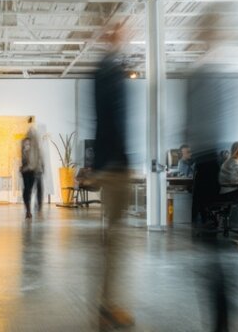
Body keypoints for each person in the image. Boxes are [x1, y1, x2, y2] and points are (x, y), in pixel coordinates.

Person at [91, 23, 134, 328]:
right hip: (115, 164)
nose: (125, 35)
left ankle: (108, 299)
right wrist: (119, 160)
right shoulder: (108, 71)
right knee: (117, 239)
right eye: (120, 32)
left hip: (111, 162)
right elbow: (111, 119)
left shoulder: (107, 70)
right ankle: (109, 302)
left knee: (114, 238)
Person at [19, 117, 44, 219]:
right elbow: (24, 155)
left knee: (28, 190)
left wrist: (38, 165)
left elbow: (36, 155)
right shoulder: (27, 140)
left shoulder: (33, 141)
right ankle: (29, 210)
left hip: (32, 169)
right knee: (28, 190)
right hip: (28, 169)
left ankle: (30, 209)